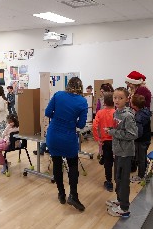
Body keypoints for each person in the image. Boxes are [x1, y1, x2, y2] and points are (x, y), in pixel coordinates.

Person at [45, 77, 88, 212]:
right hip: (68, 136)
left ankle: (61, 194)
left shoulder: (58, 95)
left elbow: (47, 113)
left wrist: (58, 118)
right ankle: (73, 195)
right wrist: (70, 122)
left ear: (68, 85)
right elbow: (81, 125)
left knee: (57, 164)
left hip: (53, 135)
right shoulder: (83, 101)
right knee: (73, 165)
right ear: (81, 87)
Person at [105, 87, 138, 218]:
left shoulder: (128, 116)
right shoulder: (116, 112)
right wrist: (112, 130)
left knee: (123, 180)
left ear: (127, 99)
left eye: (120, 98)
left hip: (125, 152)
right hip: (118, 150)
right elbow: (118, 129)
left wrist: (112, 132)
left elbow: (133, 134)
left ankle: (124, 208)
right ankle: (119, 200)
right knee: (117, 178)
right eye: (115, 97)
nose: (117, 100)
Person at [125, 70, 152, 172]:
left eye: (128, 83)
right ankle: (136, 166)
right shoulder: (138, 89)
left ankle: (141, 172)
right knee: (138, 150)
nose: (127, 85)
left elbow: (138, 133)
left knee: (140, 151)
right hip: (141, 119)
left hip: (141, 124)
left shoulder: (142, 91)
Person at [93, 92, 115, 192]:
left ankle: (109, 182)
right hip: (115, 141)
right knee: (115, 160)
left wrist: (98, 139)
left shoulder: (100, 113)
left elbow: (94, 126)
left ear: (104, 102)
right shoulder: (117, 113)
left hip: (105, 141)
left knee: (108, 163)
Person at [130, 94, 152, 182]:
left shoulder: (138, 116)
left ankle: (141, 176)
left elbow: (139, 132)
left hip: (141, 141)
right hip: (147, 138)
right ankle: (144, 171)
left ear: (134, 105)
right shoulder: (146, 111)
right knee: (142, 156)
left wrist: (132, 137)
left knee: (140, 158)